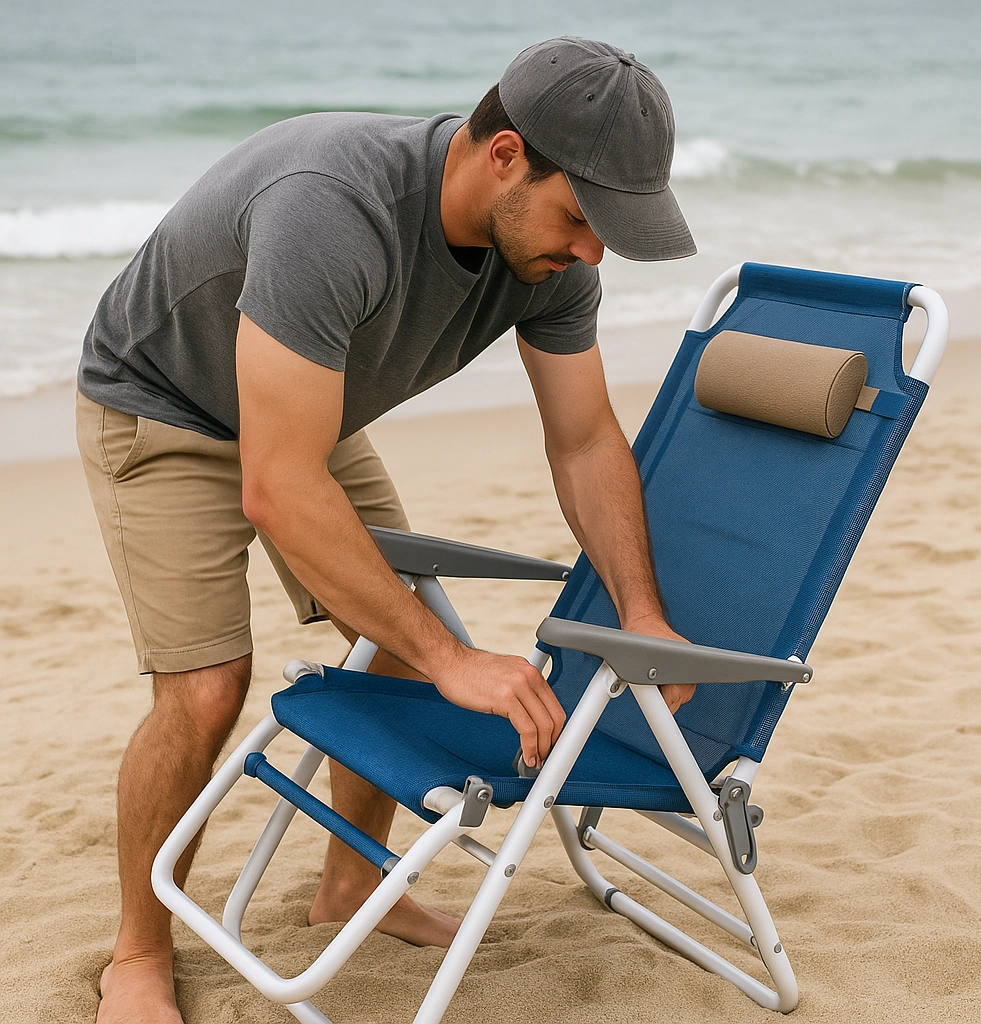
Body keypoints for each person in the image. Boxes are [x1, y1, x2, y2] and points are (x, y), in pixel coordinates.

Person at [76, 36, 698, 1024]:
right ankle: (138, 952)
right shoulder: (334, 206)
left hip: (303, 413)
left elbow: (582, 439)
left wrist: (642, 612)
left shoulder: (549, 263)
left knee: (398, 654)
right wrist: (450, 653)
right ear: (503, 155)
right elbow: (276, 486)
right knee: (205, 690)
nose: (592, 251)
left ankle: (350, 886)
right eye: (581, 216)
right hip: (163, 404)